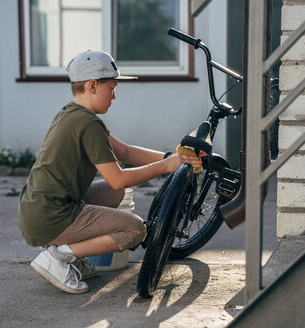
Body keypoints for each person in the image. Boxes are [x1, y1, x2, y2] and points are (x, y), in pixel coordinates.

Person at [17, 50, 201, 294]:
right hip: (51, 217)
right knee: (136, 229)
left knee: (119, 195)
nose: (114, 96)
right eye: (111, 89)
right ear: (93, 86)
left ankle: (64, 252)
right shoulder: (89, 124)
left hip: (37, 209)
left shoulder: (72, 113)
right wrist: (166, 167)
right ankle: (59, 255)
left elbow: (124, 152)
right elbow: (117, 179)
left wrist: (171, 158)